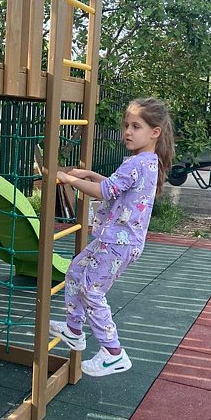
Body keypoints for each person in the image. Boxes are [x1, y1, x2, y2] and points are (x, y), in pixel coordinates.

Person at [50, 97, 175, 377]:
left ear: (154, 132)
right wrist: (90, 174)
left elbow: (106, 191)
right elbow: (117, 187)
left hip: (118, 242)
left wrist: (69, 180)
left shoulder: (137, 163)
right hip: (116, 239)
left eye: (136, 126)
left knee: (92, 290)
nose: (127, 132)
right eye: (126, 126)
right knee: (75, 271)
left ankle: (113, 352)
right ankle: (73, 329)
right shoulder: (146, 162)